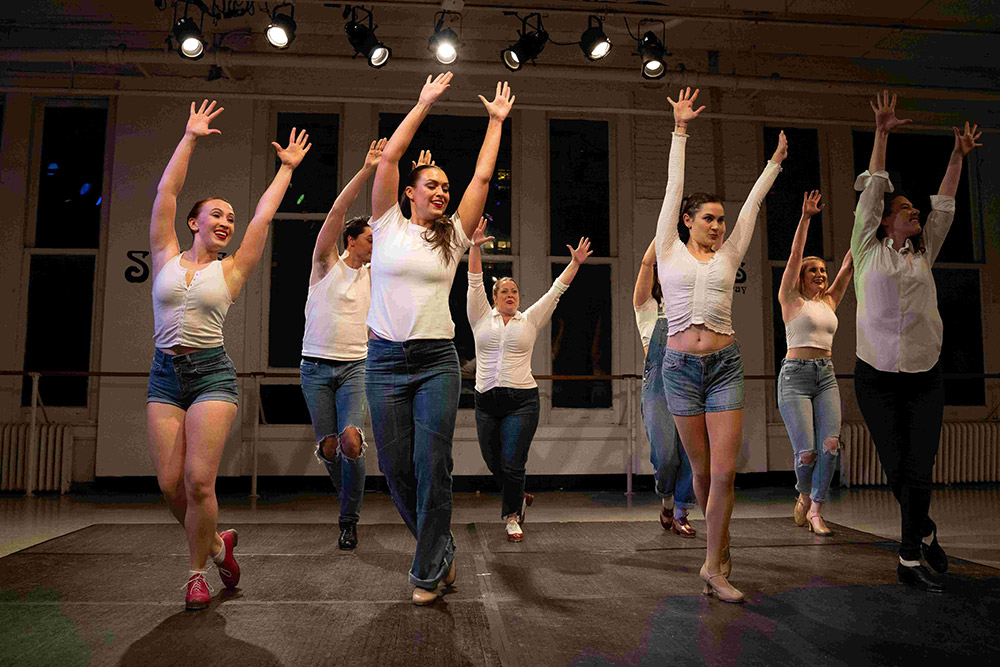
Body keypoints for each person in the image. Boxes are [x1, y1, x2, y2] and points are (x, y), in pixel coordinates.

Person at [147, 100, 310, 610]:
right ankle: (218, 545)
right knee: (170, 484)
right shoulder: (165, 255)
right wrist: (190, 136)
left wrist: (285, 170)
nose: (226, 222)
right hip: (164, 376)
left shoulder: (233, 269)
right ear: (193, 222)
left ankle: (197, 572)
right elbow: (166, 192)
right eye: (215, 214)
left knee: (199, 480)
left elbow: (264, 215)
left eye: (230, 218)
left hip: (211, 374)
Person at [367, 73, 514, 605]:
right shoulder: (384, 225)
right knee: (395, 468)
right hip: (383, 361)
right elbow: (389, 159)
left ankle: (428, 569)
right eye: (431, 185)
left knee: (434, 465)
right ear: (409, 192)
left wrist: (496, 123)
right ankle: (441, 546)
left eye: (444, 188)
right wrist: (423, 100)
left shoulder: (452, 236)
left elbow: (480, 178)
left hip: (435, 361)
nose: (442, 191)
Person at [655, 87, 787, 603]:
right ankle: (718, 554)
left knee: (727, 471)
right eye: (708, 218)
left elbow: (753, 205)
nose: (718, 225)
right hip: (680, 369)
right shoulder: (668, 247)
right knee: (703, 471)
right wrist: (680, 129)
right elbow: (672, 186)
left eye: (721, 219)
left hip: (725, 367)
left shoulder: (731, 252)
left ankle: (714, 565)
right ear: (688, 221)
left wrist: (773, 165)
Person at [852, 90, 981, 593]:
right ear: (886, 219)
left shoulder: (923, 255)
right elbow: (872, 190)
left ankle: (908, 560)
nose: (916, 214)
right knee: (895, 469)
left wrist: (956, 155)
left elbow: (945, 204)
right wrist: (881, 134)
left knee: (920, 465)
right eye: (905, 209)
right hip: (876, 377)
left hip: (926, 374)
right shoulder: (866, 249)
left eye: (914, 210)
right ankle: (924, 529)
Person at [467, 217, 591, 542]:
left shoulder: (530, 319)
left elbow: (556, 291)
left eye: (514, 291)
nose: (510, 294)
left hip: (522, 400)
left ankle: (511, 517)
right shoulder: (480, 316)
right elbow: (474, 280)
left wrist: (575, 264)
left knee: (512, 461)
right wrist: (475, 248)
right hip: (486, 401)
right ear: (494, 298)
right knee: (494, 462)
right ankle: (519, 496)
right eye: (504, 291)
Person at [299, 138, 387, 551]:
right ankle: (347, 499)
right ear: (351, 241)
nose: (375, 246)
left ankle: (348, 519)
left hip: (356, 366)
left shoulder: (375, 276)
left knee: (351, 440)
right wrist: (367, 171)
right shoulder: (325, 265)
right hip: (315, 367)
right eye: (370, 240)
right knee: (330, 447)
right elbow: (336, 212)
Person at [776, 191, 853, 536]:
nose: (821, 274)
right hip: (794, 378)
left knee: (831, 446)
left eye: (823, 270)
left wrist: (864, 222)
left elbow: (850, 265)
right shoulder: (790, 299)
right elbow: (794, 255)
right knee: (806, 453)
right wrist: (806, 218)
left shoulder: (830, 302)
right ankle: (803, 494)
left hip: (826, 377)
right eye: (814, 271)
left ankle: (817, 511)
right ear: (802, 277)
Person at [633, 239, 697, 537]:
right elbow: (646, 264)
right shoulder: (647, 306)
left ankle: (683, 511)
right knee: (665, 455)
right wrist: (665, 230)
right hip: (658, 384)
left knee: (690, 453)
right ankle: (668, 500)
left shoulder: (693, 307)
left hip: (691, 381)